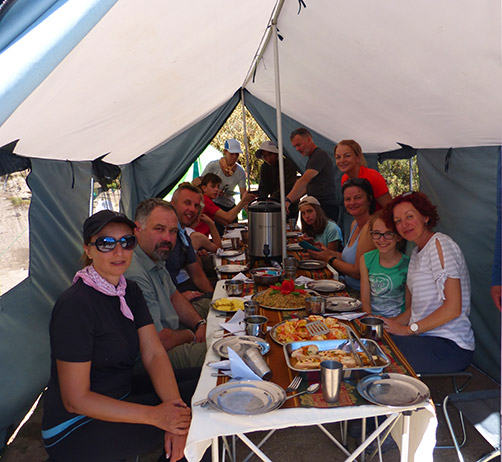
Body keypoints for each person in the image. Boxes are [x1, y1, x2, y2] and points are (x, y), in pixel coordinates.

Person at [42, 210, 191, 462]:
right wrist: (156, 416)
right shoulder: (76, 305)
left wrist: (175, 411)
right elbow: (75, 400)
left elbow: (154, 354)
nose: (119, 251)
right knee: (197, 422)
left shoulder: (128, 290)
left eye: (126, 241)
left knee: (204, 394)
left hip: (121, 394)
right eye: (106, 243)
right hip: (76, 426)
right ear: (88, 250)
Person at [382, 192, 475, 373]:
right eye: (398, 221)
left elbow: (453, 308)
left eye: (410, 216)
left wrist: (408, 330)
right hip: (424, 338)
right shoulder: (417, 253)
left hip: (450, 346)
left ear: (425, 217)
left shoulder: (440, 244)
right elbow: (413, 311)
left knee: (381, 357)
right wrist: (385, 325)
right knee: (373, 343)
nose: (404, 224)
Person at [125, 199, 207, 370]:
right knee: (218, 353)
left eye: (173, 231)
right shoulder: (134, 273)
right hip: (151, 357)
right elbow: (158, 340)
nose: (167, 238)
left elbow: (174, 296)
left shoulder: (154, 255)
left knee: (210, 306)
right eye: (159, 229)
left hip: (170, 333)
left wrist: (200, 323)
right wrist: (190, 334)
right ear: (137, 229)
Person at [306, 178, 376, 291]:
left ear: (369, 199)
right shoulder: (354, 224)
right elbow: (347, 258)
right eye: (347, 199)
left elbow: (357, 272)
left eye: (358, 198)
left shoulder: (371, 228)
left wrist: (329, 258)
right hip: (346, 284)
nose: (352, 203)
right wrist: (326, 251)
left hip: (358, 292)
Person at [169, 183, 214, 302]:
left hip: (177, 294)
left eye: (196, 206)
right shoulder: (165, 237)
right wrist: (177, 299)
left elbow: (197, 274)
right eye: (187, 203)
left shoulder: (183, 235)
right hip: (169, 302)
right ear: (172, 204)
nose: (193, 209)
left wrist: (216, 299)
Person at [359, 211, 409, 317]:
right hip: (372, 319)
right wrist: (371, 320)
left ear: (399, 236)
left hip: (397, 322)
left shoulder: (408, 264)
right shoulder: (366, 259)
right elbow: (365, 300)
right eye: (377, 233)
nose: (382, 239)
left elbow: (410, 307)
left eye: (388, 234)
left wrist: (395, 324)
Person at [286, 128, 339, 221]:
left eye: (299, 145)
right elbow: (307, 186)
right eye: (295, 147)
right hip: (317, 206)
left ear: (309, 139)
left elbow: (304, 180)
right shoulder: (312, 159)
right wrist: (291, 202)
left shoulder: (319, 155)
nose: (297, 149)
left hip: (325, 207)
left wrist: (288, 199)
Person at [335, 139, 392, 210]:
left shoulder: (372, 176)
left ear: (358, 157)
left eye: (347, 156)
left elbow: (389, 208)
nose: (342, 160)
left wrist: (373, 220)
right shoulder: (345, 179)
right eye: (338, 157)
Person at [200, 138, 247, 212]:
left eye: (237, 154)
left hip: (229, 205)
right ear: (225, 152)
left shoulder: (240, 171)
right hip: (213, 203)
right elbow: (201, 184)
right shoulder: (213, 166)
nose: (234, 157)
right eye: (232, 154)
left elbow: (243, 194)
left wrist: (249, 215)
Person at [256, 140, 299, 218]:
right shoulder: (264, 167)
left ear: (277, 153)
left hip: (290, 204)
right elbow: (263, 186)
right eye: (264, 156)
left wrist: (273, 198)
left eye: (270, 154)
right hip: (273, 206)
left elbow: (289, 185)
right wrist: (261, 202)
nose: (267, 158)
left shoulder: (288, 165)